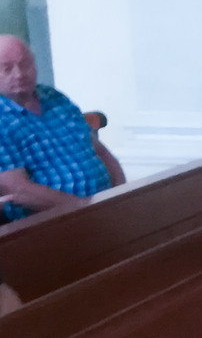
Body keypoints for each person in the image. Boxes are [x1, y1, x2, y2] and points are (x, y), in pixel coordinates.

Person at [0, 35, 124, 222]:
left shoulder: (53, 97)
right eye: (7, 68)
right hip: (49, 222)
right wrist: (85, 208)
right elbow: (17, 190)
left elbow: (100, 151)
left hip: (101, 210)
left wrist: (122, 196)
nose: (19, 74)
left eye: (25, 64)